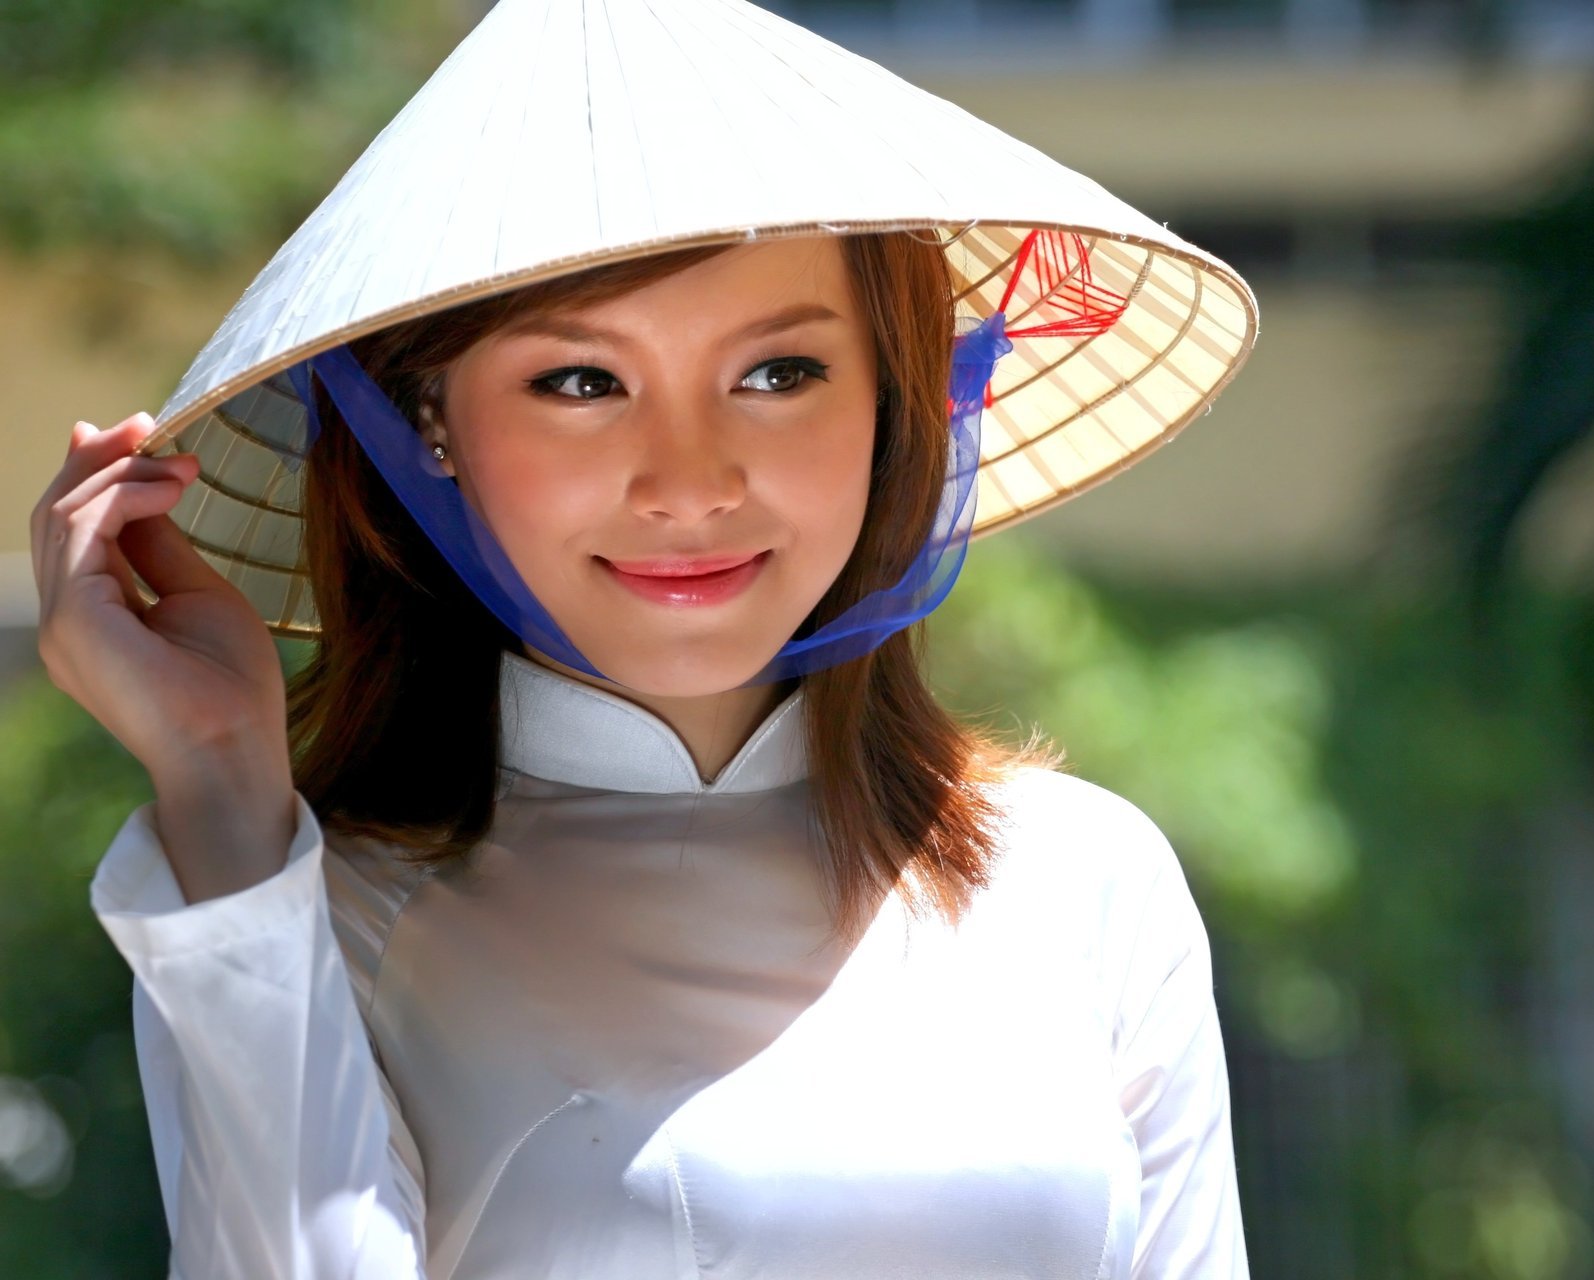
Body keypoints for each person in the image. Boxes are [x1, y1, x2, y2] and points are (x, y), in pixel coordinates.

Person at [29, 1, 1260, 1275]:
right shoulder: (316, 912)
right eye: (581, 382)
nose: (689, 482)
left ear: (901, 401)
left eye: (779, 374)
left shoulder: (1085, 883)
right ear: (427, 424)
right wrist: (223, 782)